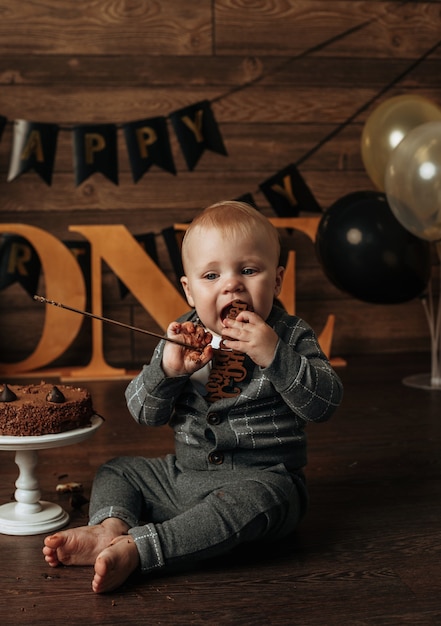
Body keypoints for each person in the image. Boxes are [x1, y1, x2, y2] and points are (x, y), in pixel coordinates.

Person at [43, 200, 343, 593]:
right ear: (189, 289)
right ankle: (110, 528)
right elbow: (143, 413)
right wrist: (166, 372)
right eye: (211, 274)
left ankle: (142, 548)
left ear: (277, 281)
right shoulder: (180, 337)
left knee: (264, 499)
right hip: (183, 478)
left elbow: (324, 404)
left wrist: (274, 356)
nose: (231, 285)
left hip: (263, 482)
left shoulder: (289, 335)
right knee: (118, 470)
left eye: (248, 270)